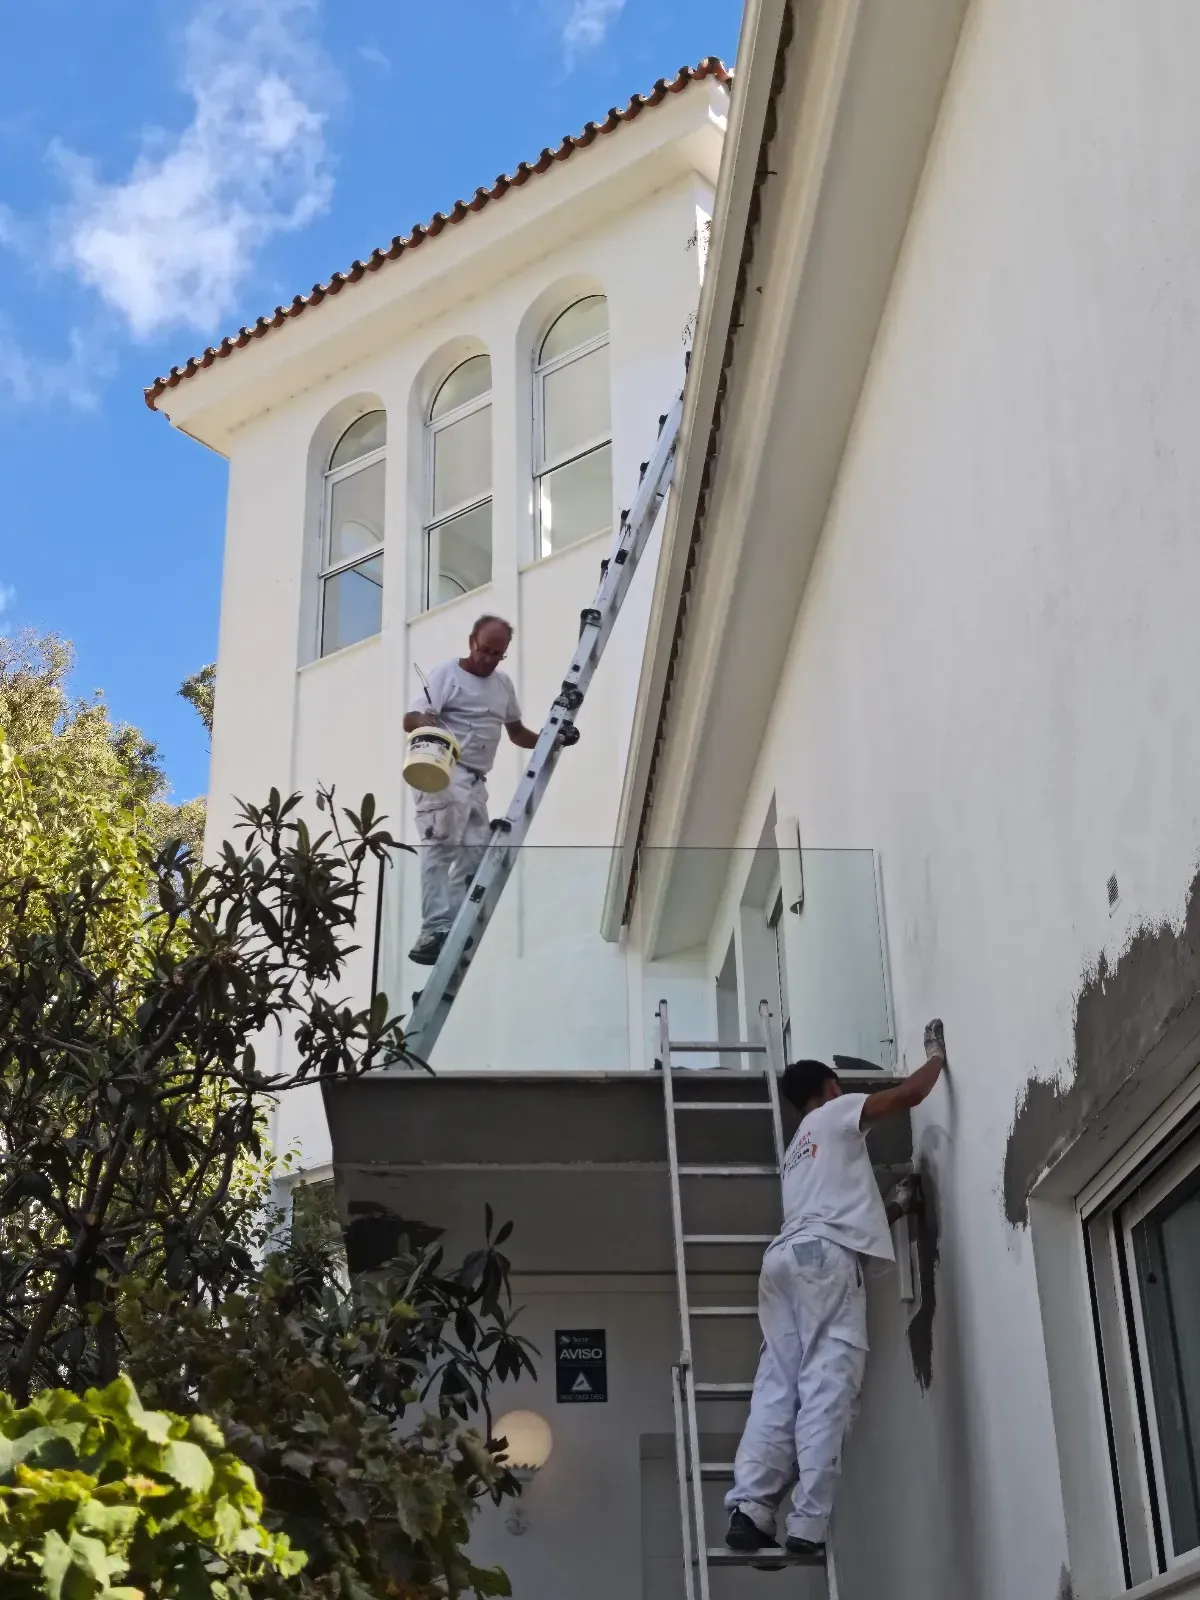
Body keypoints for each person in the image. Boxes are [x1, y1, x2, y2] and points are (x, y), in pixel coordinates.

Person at [724, 1019, 948, 1562]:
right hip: (820, 1260)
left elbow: (836, 1215)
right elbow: (908, 1094)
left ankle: (751, 1509)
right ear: (829, 1088)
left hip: (783, 1262)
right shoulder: (834, 1113)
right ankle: (807, 1525)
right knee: (828, 1382)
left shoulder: (797, 1150)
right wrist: (936, 1056)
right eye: (840, 1086)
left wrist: (897, 1205)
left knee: (778, 1386)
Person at [402, 615, 575, 965]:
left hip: (476, 780)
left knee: (473, 853)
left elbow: (516, 733)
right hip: (443, 769)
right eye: (485, 651)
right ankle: (432, 929)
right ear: (471, 642)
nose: (490, 659)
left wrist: (553, 739)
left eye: (499, 654)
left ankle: (450, 926)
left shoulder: (503, 685)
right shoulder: (446, 674)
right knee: (441, 846)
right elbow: (411, 719)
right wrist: (425, 721)